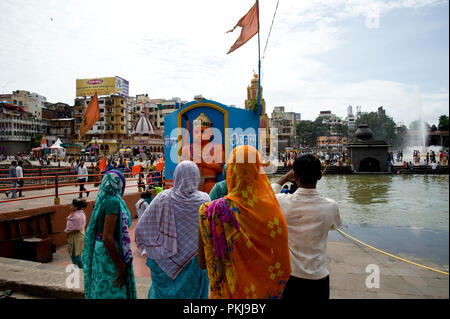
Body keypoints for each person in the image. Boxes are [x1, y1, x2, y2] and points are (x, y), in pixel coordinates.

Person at [198, 145, 291, 299]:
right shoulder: (273, 211)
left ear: (231, 171)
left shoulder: (210, 211)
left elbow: (203, 263)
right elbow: (281, 259)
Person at [135, 161, 210, 299]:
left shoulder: (163, 197)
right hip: (194, 264)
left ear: (177, 176)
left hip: (164, 261)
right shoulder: (205, 200)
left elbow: (143, 227)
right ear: (195, 177)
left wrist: (153, 246)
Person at [271, 154, 341, 299]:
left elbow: (264, 196)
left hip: (291, 275)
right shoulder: (331, 206)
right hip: (319, 276)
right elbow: (335, 226)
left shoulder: (282, 202)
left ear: (294, 176)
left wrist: (283, 178)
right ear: (320, 176)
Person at [83, 169, 136, 299]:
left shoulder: (102, 199)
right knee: (112, 289)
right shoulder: (113, 202)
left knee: (100, 289)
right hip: (108, 255)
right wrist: (120, 266)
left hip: (99, 251)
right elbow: (108, 238)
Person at [66, 198, 87, 268]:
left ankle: (80, 269)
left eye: (72, 205)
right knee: (76, 254)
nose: (70, 206)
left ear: (76, 207)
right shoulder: (80, 213)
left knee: (75, 255)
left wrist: (68, 231)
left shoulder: (77, 216)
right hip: (76, 236)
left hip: (76, 237)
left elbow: (78, 228)